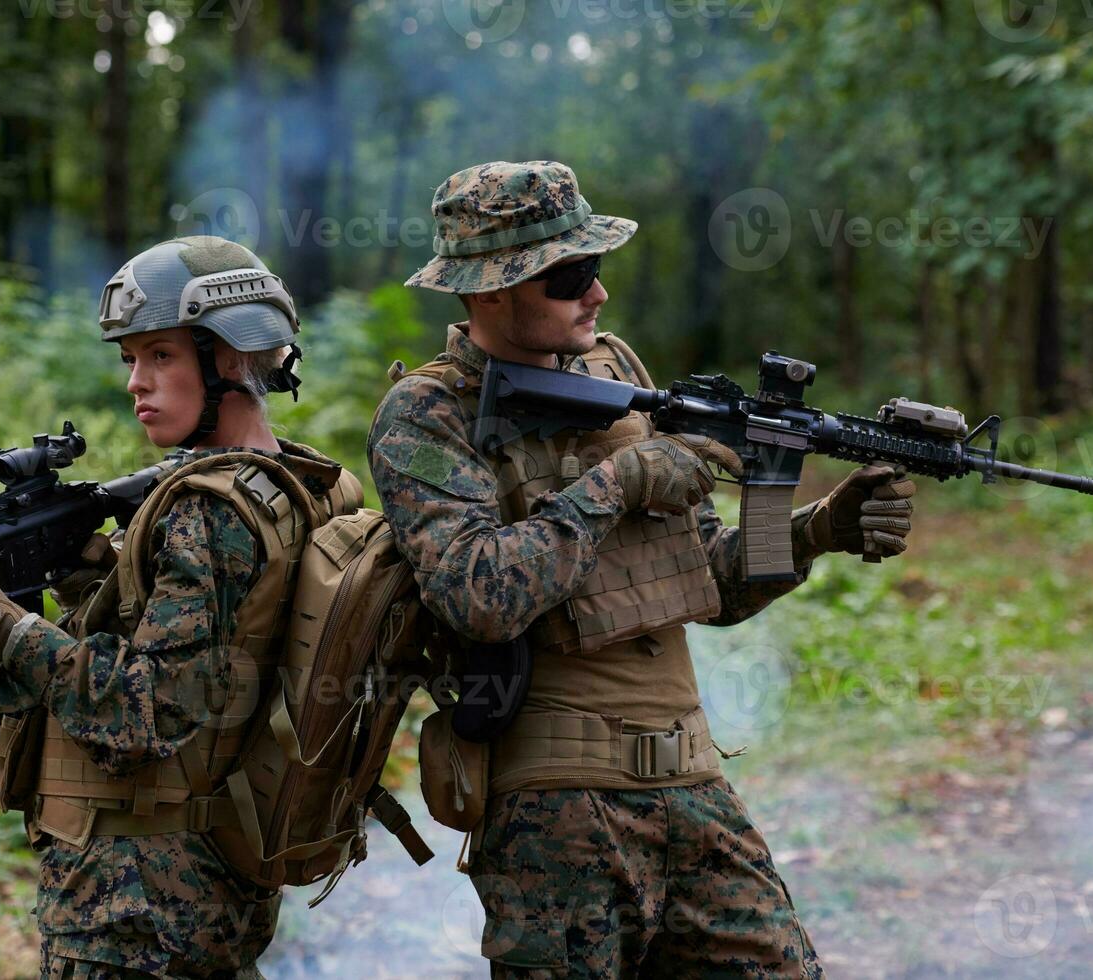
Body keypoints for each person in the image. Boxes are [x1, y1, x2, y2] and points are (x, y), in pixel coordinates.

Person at [370, 161, 916, 977]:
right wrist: (617, 482)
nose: (597, 295)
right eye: (570, 276)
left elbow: (714, 583)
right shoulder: (427, 413)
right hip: (557, 809)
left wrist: (812, 529)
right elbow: (479, 594)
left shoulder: (618, 376)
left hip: (693, 783)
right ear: (488, 292)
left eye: (596, 270)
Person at [0, 235, 363, 978]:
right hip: (216, 880)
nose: (137, 382)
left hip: (132, 908)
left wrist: (5, 629)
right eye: (131, 359)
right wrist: (94, 578)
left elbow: (146, 713)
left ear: (231, 357)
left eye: (160, 356)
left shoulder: (206, 510)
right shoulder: (303, 482)